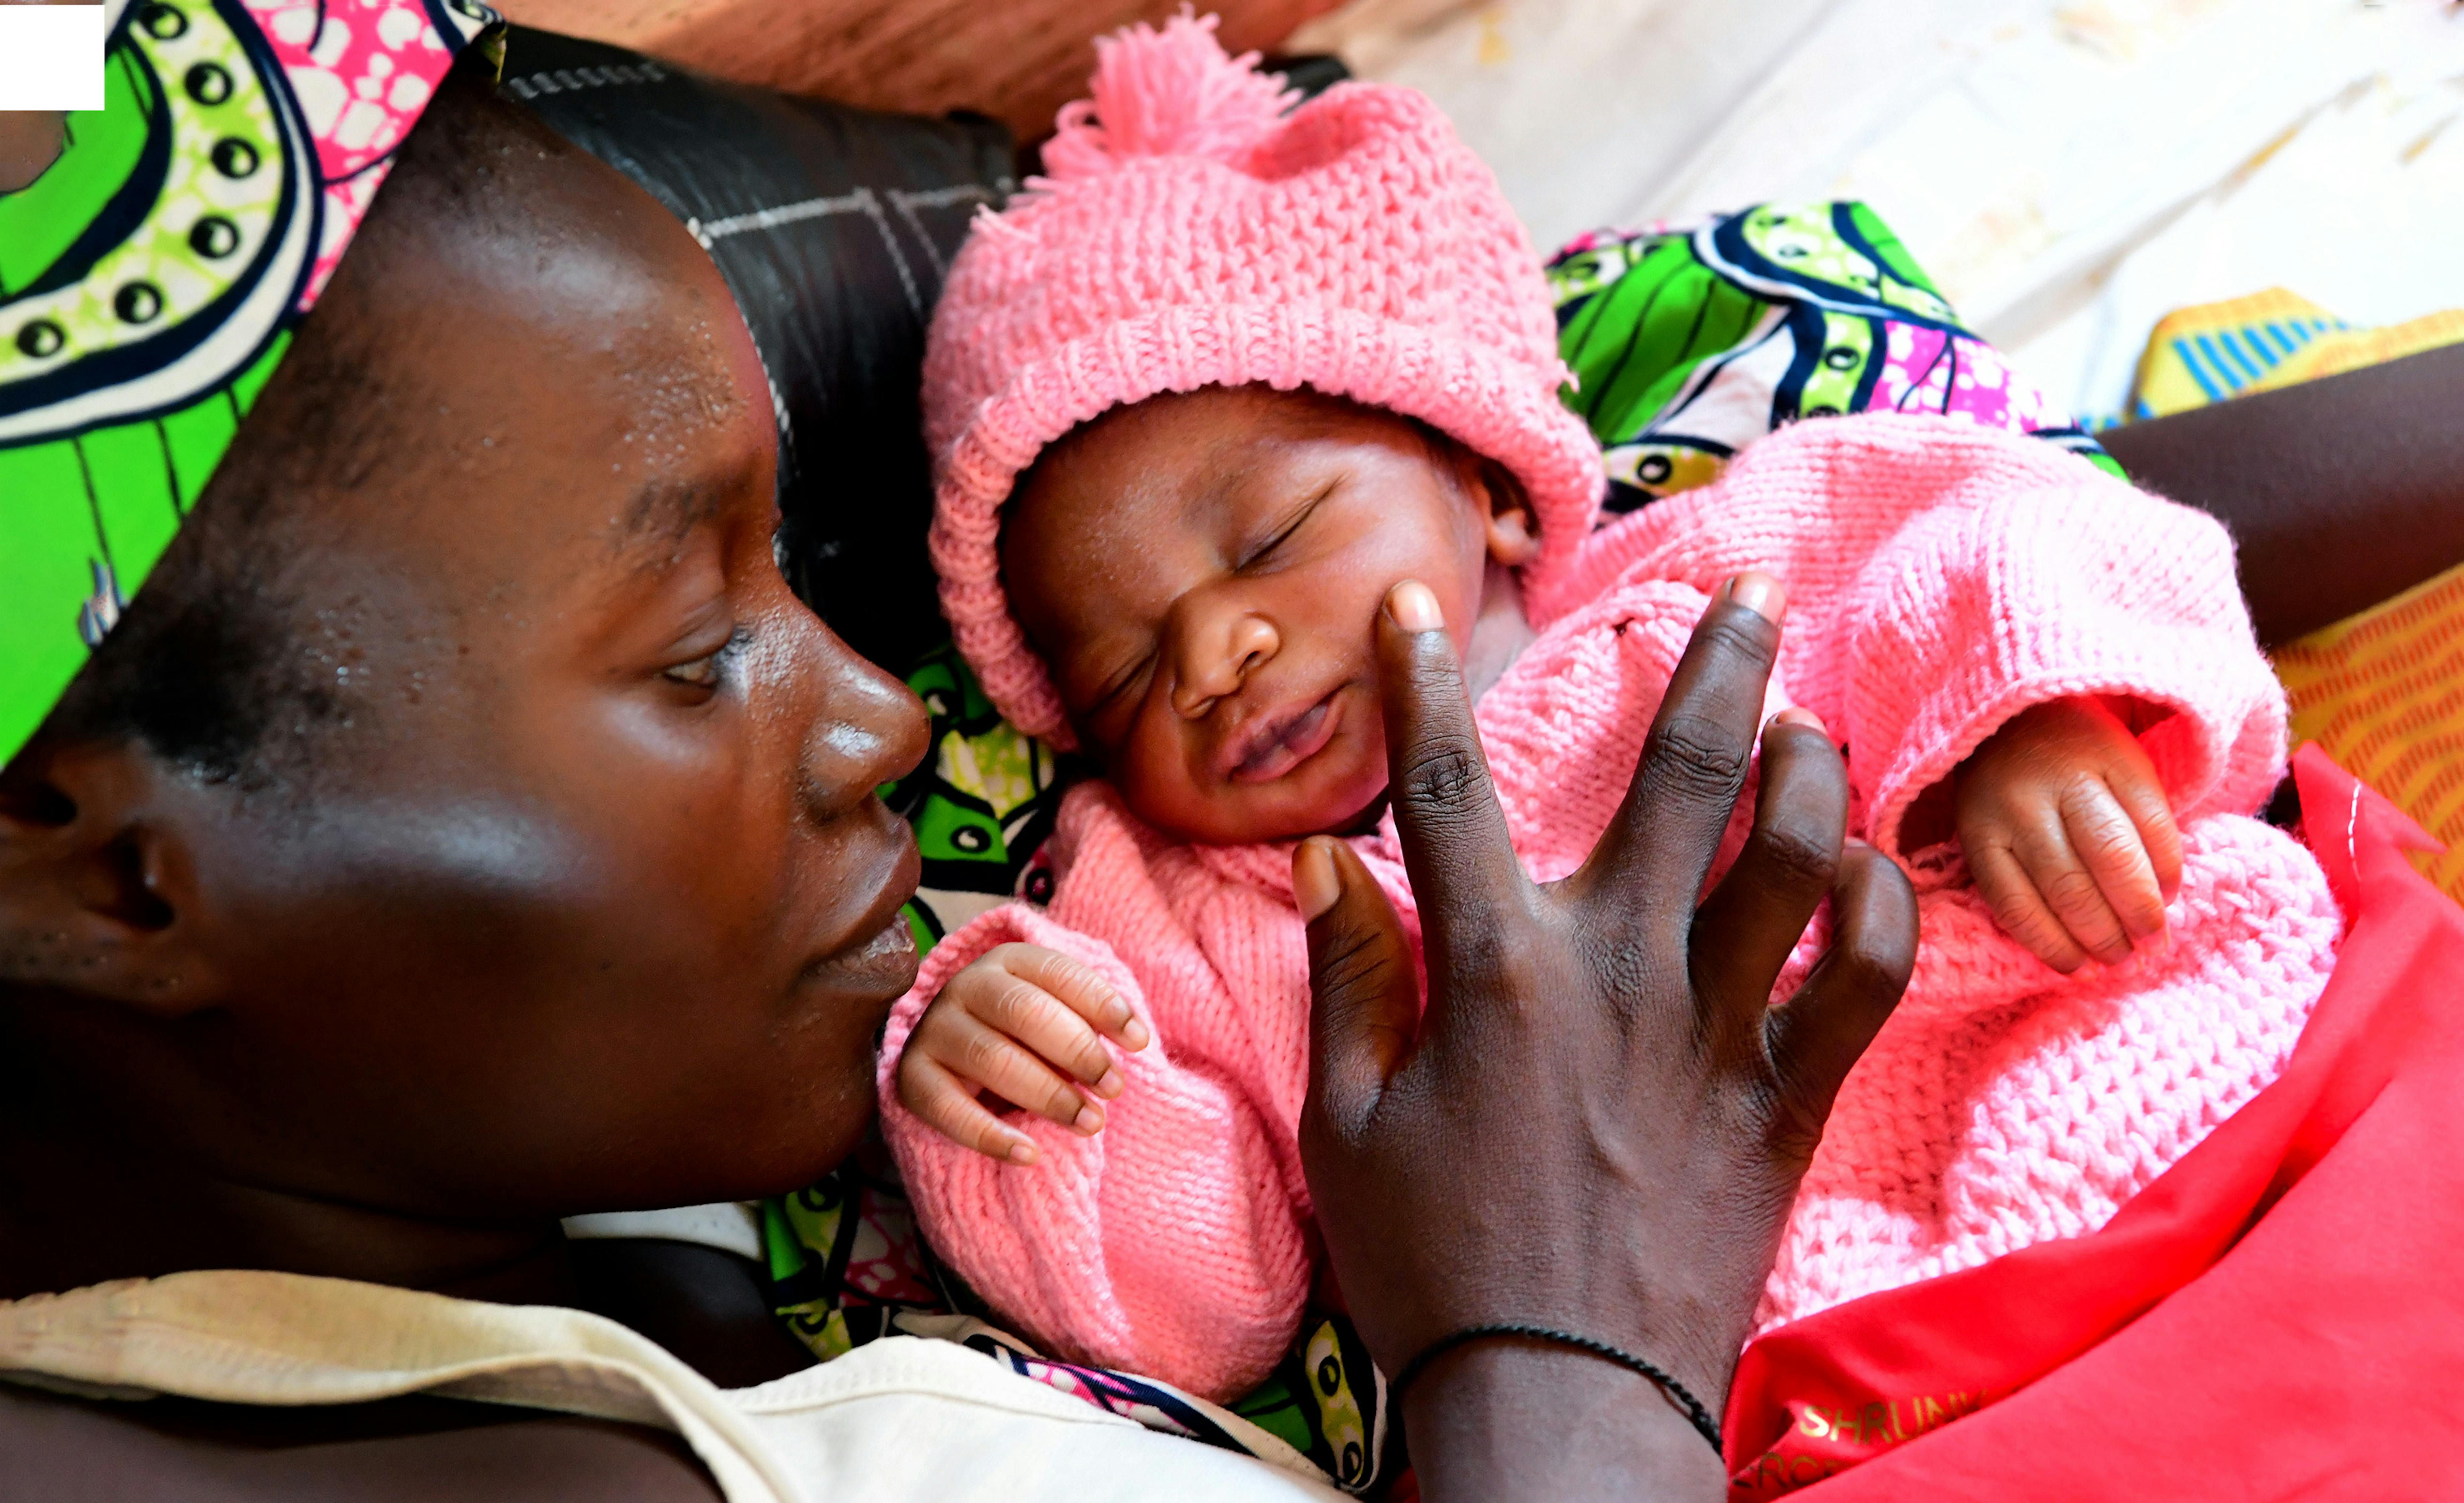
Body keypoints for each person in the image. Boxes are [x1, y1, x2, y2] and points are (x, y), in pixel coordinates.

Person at [0, 8, 1919, 1499]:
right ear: (105, 880)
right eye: (693, 652)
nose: (891, 719)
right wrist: (1571, 1355)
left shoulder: (600, 1177)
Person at [879, 13, 2338, 1400]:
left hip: (2055, 1079)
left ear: (1494, 489)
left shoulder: (1709, 582)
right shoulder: (1185, 916)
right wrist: (1045, 1092)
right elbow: (1209, 1307)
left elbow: (1995, 531)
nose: (1209, 657)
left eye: (1268, 539)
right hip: (1707, 1361)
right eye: (1124, 673)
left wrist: (2032, 724)